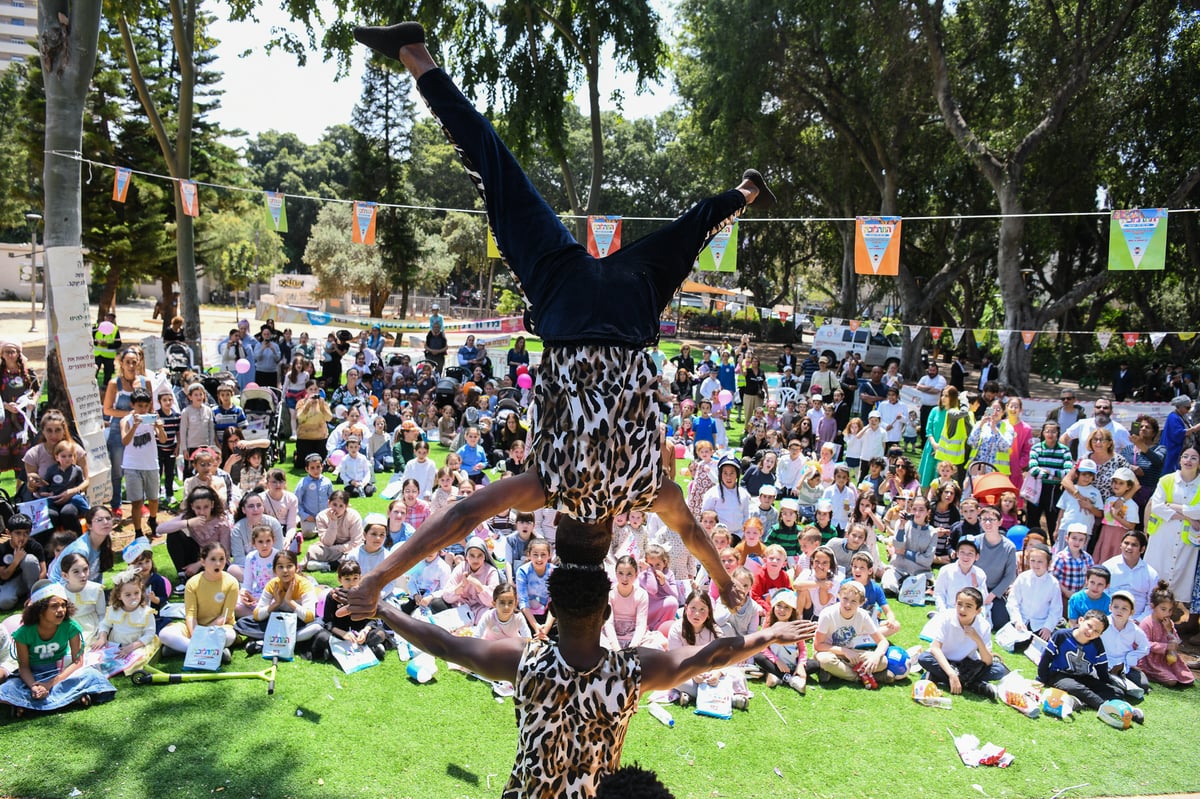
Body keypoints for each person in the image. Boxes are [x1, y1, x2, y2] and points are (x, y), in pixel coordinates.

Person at [0, 582, 116, 716]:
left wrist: (49, 684)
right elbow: (24, 667)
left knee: (92, 675)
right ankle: (73, 699)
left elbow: (77, 662)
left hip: (61, 672)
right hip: (33, 676)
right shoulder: (23, 634)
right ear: (40, 610)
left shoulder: (71, 627)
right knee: (7, 688)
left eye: (63, 605)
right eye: (54, 606)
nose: (61, 610)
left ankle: (26, 707)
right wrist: (34, 686)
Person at [1038, 610, 1139, 720]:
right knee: (1078, 688)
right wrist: (1041, 679)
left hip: (1083, 677)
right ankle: (1106, 707)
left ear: (1100, 634)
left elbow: (1102, 669)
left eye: (1096, 631)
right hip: (1059, 675)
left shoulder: (1097, 644)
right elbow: (1046, 658)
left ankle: (1082, 701)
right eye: (1089, 625)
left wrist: (1108, 686)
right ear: (1081, 620)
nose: (1090, 631)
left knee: (1117, 692)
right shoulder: (1061, 635)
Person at [918, 587, 1008, 699]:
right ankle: (973, 685)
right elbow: (935, 649)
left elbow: (987, 661)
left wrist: (978, 640)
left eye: (968, 606)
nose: (962, 609)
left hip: (967, 665)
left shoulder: (984, 626)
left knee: (998, 670)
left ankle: (937, 677)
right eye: (959, 604)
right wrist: (951, 674)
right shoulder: (946, 617)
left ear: (978, 610)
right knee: (924, 658)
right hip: (944, 660)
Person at [158, 542, 238, 662]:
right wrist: (196, 633)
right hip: (194, 629)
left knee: (229, 636)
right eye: (213, 559)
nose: (218, 563)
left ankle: (181, 648)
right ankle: (210, 651)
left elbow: (225, 615)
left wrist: (204, 633)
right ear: (203, 562)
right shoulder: (192, 583)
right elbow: (190, 614)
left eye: (222, 559)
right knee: (165, 634)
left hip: (220, 627)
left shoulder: (232, 582)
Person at [1144, 446, 1199, 611]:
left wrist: (1175, 506)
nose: (1188, 461)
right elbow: (1157, 507)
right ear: (1180, 459)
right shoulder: (1166, 480)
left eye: (1194, 458)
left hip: (1187, 539)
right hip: (1163, 534)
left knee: (1179, 579)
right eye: (1185, 456)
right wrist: (1188, 516)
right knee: (1155, 574)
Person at [22, 409, 91, 535]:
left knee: (68, 513)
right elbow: (31, 489)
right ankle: (48, 552)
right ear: (42, 431)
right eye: (49, 430)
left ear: (64, 430)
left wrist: (72, 491)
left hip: (71, 498)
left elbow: (86, 481)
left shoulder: (75, 450)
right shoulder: (33, 454)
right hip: (45, 499)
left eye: (58, 430)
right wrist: (33, 484)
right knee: (51, 515)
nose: (53, 435)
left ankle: (76, 547)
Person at [238, 551, 323, 653]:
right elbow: (257, 614)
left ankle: (265, 642)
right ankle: (286, 640)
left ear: (296, 568)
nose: (285, 571)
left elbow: (309, 617)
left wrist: (289, 601)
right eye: (280, 567)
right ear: (274, 570)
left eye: (289, 566)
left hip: (299, 622)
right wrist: (276, 603)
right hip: (278, 620)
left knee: (317, 626)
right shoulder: (273, 584)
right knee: (243, 623)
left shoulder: (304, 584)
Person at [813, 580, 893, 688]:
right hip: (828, 651)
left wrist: (876, 656)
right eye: (845, 599)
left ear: (861, 603)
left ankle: (835, 673)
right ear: (839, 596)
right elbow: (818, 645)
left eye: (854, 601)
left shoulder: (863, 616)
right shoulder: (827, 614)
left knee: (882, 661)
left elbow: (883, 641)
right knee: (826, 661)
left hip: (851, 654)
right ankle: (863, 677)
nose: (848, 604)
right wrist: (845, 651)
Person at [102, 347, 151, 515]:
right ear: (121, 364)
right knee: (117, 469)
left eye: (134, 362)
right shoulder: (114, 384)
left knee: (140, 467)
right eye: (127, 362)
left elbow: (150, 406)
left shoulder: (145, 382)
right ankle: (116, 504)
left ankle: (140, 502)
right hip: (118, 429)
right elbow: (107, 410)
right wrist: (129, 415)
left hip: (140, 430)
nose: (131, 365)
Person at [157, 485, 234, 582]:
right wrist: (188, 523)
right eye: (198, 508)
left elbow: (225, 553)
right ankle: (182, 575)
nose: (202, 512)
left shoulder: (221, 523)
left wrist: (199, 564)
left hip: (217, 560)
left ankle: (196, 574)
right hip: (196, 554)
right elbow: (159, 529)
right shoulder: (189, 517)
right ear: (192, 506)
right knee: (174, 534)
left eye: (206, 507)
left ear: (212, 505)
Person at [92, 567, 158, 664]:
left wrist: (131, 647)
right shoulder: (113, 610)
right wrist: (103, 637)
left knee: (136, 661)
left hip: (136, 645)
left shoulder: (146, 612)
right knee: (99, 657)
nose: (133, 597)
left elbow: (149, 634)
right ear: (119, 596)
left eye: (136, 593)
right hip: (115, 643)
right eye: (128, 595)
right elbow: (105, 625)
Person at [1005, 542, 1062, 641]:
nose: (1036, 564)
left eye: (1040, 561)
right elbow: (1013, 601)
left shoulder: (1053, 583)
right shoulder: (1023, 577)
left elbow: (1056, 608)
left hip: (1041, 624)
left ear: (1048, 563)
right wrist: (1017, 620)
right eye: (1033, 561)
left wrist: (1048, 627)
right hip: (1022, 620)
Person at [974, 505, 1018, 630]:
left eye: (992, 519)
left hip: (995, 591)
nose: (987, 523)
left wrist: (992, 595)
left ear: (1000, 522)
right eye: (984, 519)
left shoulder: (1009, 547)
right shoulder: (975, 542)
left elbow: (1010, 575)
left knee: (1000, 622)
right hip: (975, 587)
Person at [304, 490, 364, 572]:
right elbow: (327, 542)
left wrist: (335, 548)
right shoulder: (321, 516)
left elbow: (355, 542)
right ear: (329, 503)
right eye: (334, 505)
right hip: (329, 547)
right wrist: (333, 522)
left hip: (349, 548)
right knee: (313, 549)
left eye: (341, 506)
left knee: (354, 555)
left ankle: (326, 565)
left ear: (346, 507)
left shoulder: (354, 516)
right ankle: (331, 562)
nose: (337, 509)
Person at [0, 513, 44, 611]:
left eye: (26, 533)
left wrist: (36, 592)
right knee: (4, 602)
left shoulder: (35, 546)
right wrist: (16, 561)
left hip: (32, 579)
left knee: (29, 560)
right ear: (8, 533)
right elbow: (3, 576)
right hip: (12, 581)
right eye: (18, 533)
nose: (22, 537)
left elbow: (43, 571)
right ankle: (21, 594)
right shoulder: (2, 549)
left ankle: (32, 594)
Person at [92, 311, 121, 386]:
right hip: (97, 354)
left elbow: (118, 343)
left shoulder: (115, 329)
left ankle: (106, 388)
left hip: (109, 355)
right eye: (108, 317)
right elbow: (89, 339)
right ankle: (92, 386)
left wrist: (107, 345)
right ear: (105, 318)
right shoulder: (97, 327)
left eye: (112, 318)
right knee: (93, 372)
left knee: (108, 373)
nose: (110, 319)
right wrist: (97, 342)